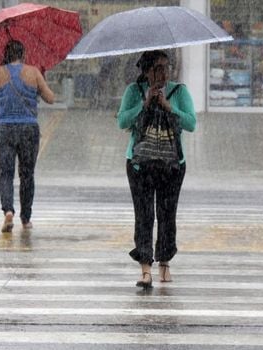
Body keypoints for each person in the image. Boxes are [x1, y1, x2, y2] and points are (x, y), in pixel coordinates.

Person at [117, 50, 196, 288]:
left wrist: (169, 106)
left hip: (172, 164)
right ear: (146, 71)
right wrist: (144, 104)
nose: (164, 72)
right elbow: (122, 121)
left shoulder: (178, 92)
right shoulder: (134, 91)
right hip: (140, 163)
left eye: (166, 67)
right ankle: (145, 268)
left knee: (166, 214)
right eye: (158, 68)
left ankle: (164, 262)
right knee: (143, 216)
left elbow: (191, 123)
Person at [0, 40, 54, 233]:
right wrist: (39, 83)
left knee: (6, 173)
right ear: (23, 54)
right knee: (27, 174)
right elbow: (51, 98)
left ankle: (8, 211)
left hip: (4, 128)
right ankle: (26, 217)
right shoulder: (33, 72)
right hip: (28, 129)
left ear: (6, 54)